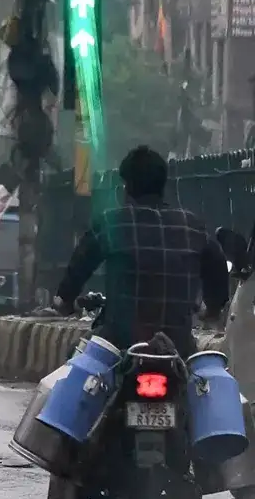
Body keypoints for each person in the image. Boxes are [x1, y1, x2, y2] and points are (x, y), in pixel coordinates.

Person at [53, 145, 229, 355]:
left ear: (126, 186)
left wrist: (65, 300)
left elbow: (79, 266)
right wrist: (212, 308)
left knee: (75, 356)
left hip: (118, 344)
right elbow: (218, 267)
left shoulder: (112, 223)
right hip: (177, 346)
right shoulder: (192, 226)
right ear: (162, 185)